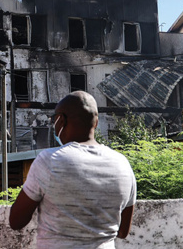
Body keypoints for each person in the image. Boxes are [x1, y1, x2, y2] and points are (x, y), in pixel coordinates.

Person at [9, 91, 137, 249]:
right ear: (96, 122)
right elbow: (123, 231)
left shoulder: (50, 160)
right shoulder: (122, 164)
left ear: (60, 120)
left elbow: (16, 221)